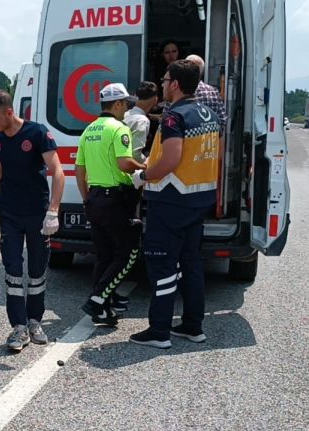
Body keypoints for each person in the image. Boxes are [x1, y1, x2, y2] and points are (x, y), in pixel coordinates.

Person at [129, 59, 220, 348]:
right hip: (197, 200)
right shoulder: (208, 114)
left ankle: (159, 331)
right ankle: (193, 326)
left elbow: (170, 160)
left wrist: (142, 175)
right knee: (192, 264)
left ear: (176, 84)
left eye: (166, 80)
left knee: (162, 265)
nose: (163, 84)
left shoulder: (173, 117)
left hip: (170, 201)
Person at [0, 90, 65, 352]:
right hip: (10, 212)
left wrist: (53, 210)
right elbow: (2, 168)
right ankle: (18, 327)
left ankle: (34, 321)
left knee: (37, 269)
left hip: (37, 211)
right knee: (13, 269)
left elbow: (58, 171)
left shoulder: (37, 133)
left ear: (9, 112)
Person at [75, 83, 147, 327]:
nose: (127, 108)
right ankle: (97, 300)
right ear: (117, 104)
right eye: (126, 104)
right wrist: (145, 167)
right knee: (127, 253)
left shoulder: (89, 130)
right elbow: (125, 163)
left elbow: (79, 169)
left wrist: (87, 197)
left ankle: (103, 309)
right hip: (115, 200)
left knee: (104, 254)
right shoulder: (120, 129)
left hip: (94, 199)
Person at [185, 54, 228, 132]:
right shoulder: (213, 91)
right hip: (209, 141)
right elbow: (222, 119)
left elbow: (166, 119)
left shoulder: (177, 90)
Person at [124, 81, 158, 163]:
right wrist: (148, 162)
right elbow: (135, 154)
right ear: (155, 99)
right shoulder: (142, 121)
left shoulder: (125, 114)